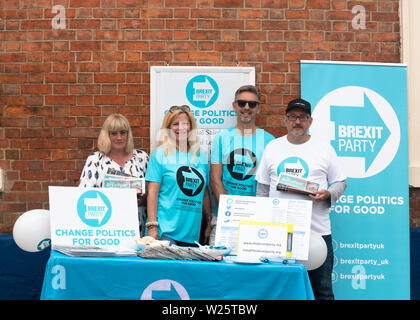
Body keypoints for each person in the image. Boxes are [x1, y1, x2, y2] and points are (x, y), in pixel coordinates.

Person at [255, 98, 347, 300]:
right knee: (279, 291)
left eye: (303, 118)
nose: (298, 122)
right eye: (293, 117)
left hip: (317, 234)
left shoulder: (324, 149)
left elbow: (340, 183)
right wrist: (262, 224)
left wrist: (328, 194)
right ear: (285, 120)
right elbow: (262, 188)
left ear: (310, 121)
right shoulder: (273, 147)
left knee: (322, 292)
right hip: (277, 235)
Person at [209, 85, 275, 245]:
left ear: (258, 108)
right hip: (225, 216)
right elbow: (215, 179)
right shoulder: (222, 138)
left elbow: (270, 183)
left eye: (252, 104)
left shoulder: (269, 141)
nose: (246, 107)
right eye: (242, 103)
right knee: (217, 267)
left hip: (256, 219)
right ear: (234, 106)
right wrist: (230, 211)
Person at [145, 105, 212, 247]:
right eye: (175, 124)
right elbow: (152, 192)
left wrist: (208, 223)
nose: (181, 128)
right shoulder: (160, 154)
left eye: (185, 124)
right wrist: (152, 227)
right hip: (166, 233)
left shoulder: (200, 156)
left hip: (192, 235)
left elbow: (205, 193)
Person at [79, 113, 149, 236]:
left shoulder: (142, 158)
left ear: (128, 134)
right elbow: (84, 194)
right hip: (107, 228)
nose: (119, 137)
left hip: (138, 227)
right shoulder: (95, 160)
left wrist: (142, 199)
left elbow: (153, 192)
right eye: (114, 133)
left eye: (123, 132)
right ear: (107, 135)